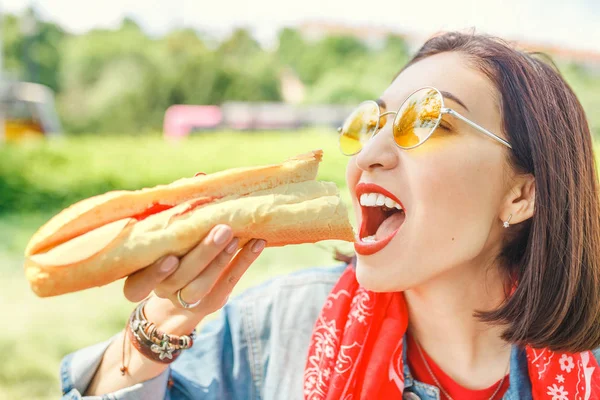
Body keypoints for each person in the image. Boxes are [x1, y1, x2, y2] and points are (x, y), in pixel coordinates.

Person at [60, 31, 600, 400]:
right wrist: (158, 327)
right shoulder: (274, 326)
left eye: (429, 122)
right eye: (373, 124)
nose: (367, 155)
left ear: (522, 195)